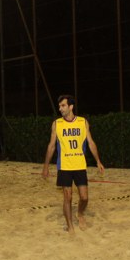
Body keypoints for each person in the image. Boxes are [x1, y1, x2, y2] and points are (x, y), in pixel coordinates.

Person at [42, 95, 105, 234]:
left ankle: (80, 213)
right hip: (64, 166)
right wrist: (46, 166)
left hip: (80, 165)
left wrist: (98, 161)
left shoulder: (83, 122)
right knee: (68, 197)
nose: (60, 108)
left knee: (84, 197)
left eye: (63, 105)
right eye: (59, 106)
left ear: (71, 107)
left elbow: (91, 142)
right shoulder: (57, 124)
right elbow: (51, 146)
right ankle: (70, 226)